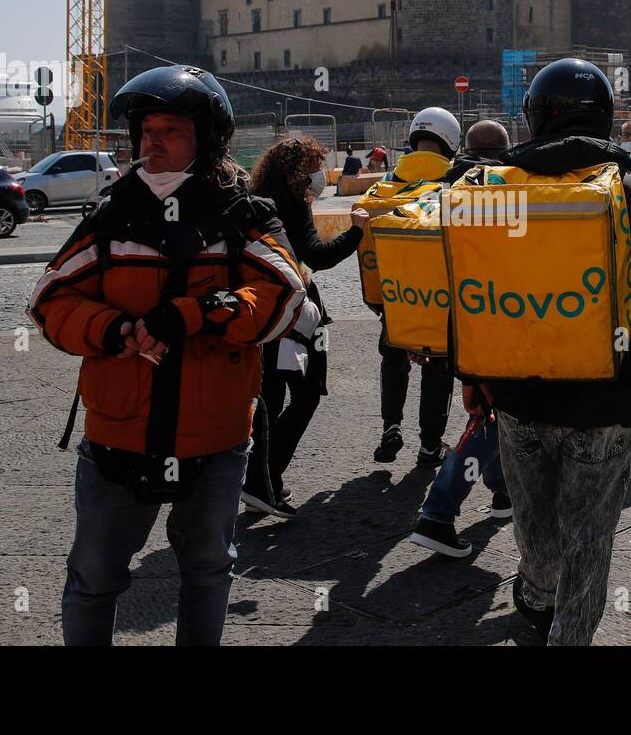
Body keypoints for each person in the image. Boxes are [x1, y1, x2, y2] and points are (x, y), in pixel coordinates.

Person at [29, 65, 307, 646]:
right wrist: (113, 330)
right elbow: (50, 300)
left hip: (216, 442)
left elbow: (284, 295)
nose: (152, 141)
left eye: (171, 129)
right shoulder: (110, 217)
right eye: (146, 129)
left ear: (205, 137)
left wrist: (195, 313)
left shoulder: (244, 217)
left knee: (208, 573)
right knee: (93, 578)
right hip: (117, 441)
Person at [464, 58, 631, 645]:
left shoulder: (490, 188)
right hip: (606, 403)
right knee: (589, 543)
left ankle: (537, 588)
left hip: (517, 395)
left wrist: (469, 377)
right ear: (604, 117)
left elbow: (470, 292)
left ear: (534, 117)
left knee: (535, 531)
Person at [241, 137, 369, 517]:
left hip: (263, 312)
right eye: (314, 166)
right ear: (295, 173)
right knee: (307, 393)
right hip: (295, 311)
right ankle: (261, 480)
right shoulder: (292, 206)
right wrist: (356, 230)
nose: (319, 174)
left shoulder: (256, 200)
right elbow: (317, 255)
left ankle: (263, 483)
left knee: (270, 398)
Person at [409, 120, 514, 557]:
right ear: (505, 153)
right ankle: (437, 512)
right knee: (492, 418)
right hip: (498, 324)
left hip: (453, 328)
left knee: (495, 412)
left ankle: (503, 492)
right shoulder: (508, 193)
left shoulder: (442, 191)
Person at [371, 107, 461, 465]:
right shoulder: (455, 181)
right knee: (437, 368)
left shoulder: (387, 183)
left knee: (392, 357)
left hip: (396, 291)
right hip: (439, 294)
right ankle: (429, 445)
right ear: (451, 140)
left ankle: (391, 426)